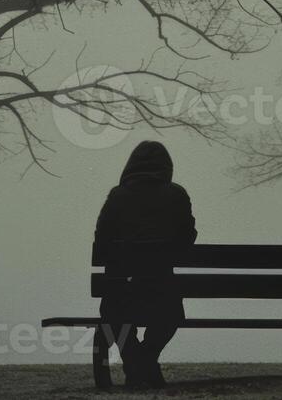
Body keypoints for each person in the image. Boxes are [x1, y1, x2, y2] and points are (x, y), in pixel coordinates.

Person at [94, 140, 197, 387]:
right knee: (170, 316)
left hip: (120, 292)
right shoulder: (177, 194)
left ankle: (135, 362)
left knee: (115, 315)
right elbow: (188, 238)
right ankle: (145, 361)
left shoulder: (117, 196)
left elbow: (101, 241)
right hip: (163, 293)